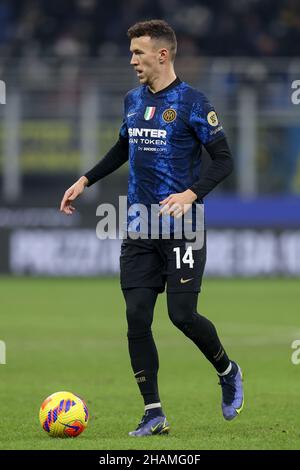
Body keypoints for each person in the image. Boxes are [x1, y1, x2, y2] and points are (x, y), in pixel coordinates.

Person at [60, 19, 244, 437]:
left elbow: (224, 159)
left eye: (138, 53)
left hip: (184, 226)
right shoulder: (132, 100)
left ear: (162, 55)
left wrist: (191, 195)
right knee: (137, 317)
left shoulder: (194, 102)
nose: (132, 61)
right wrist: (86, 179)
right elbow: (124, 146)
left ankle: (228, 369)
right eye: (132, 53)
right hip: (139, 226)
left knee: (182, 314)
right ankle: (153, 411)